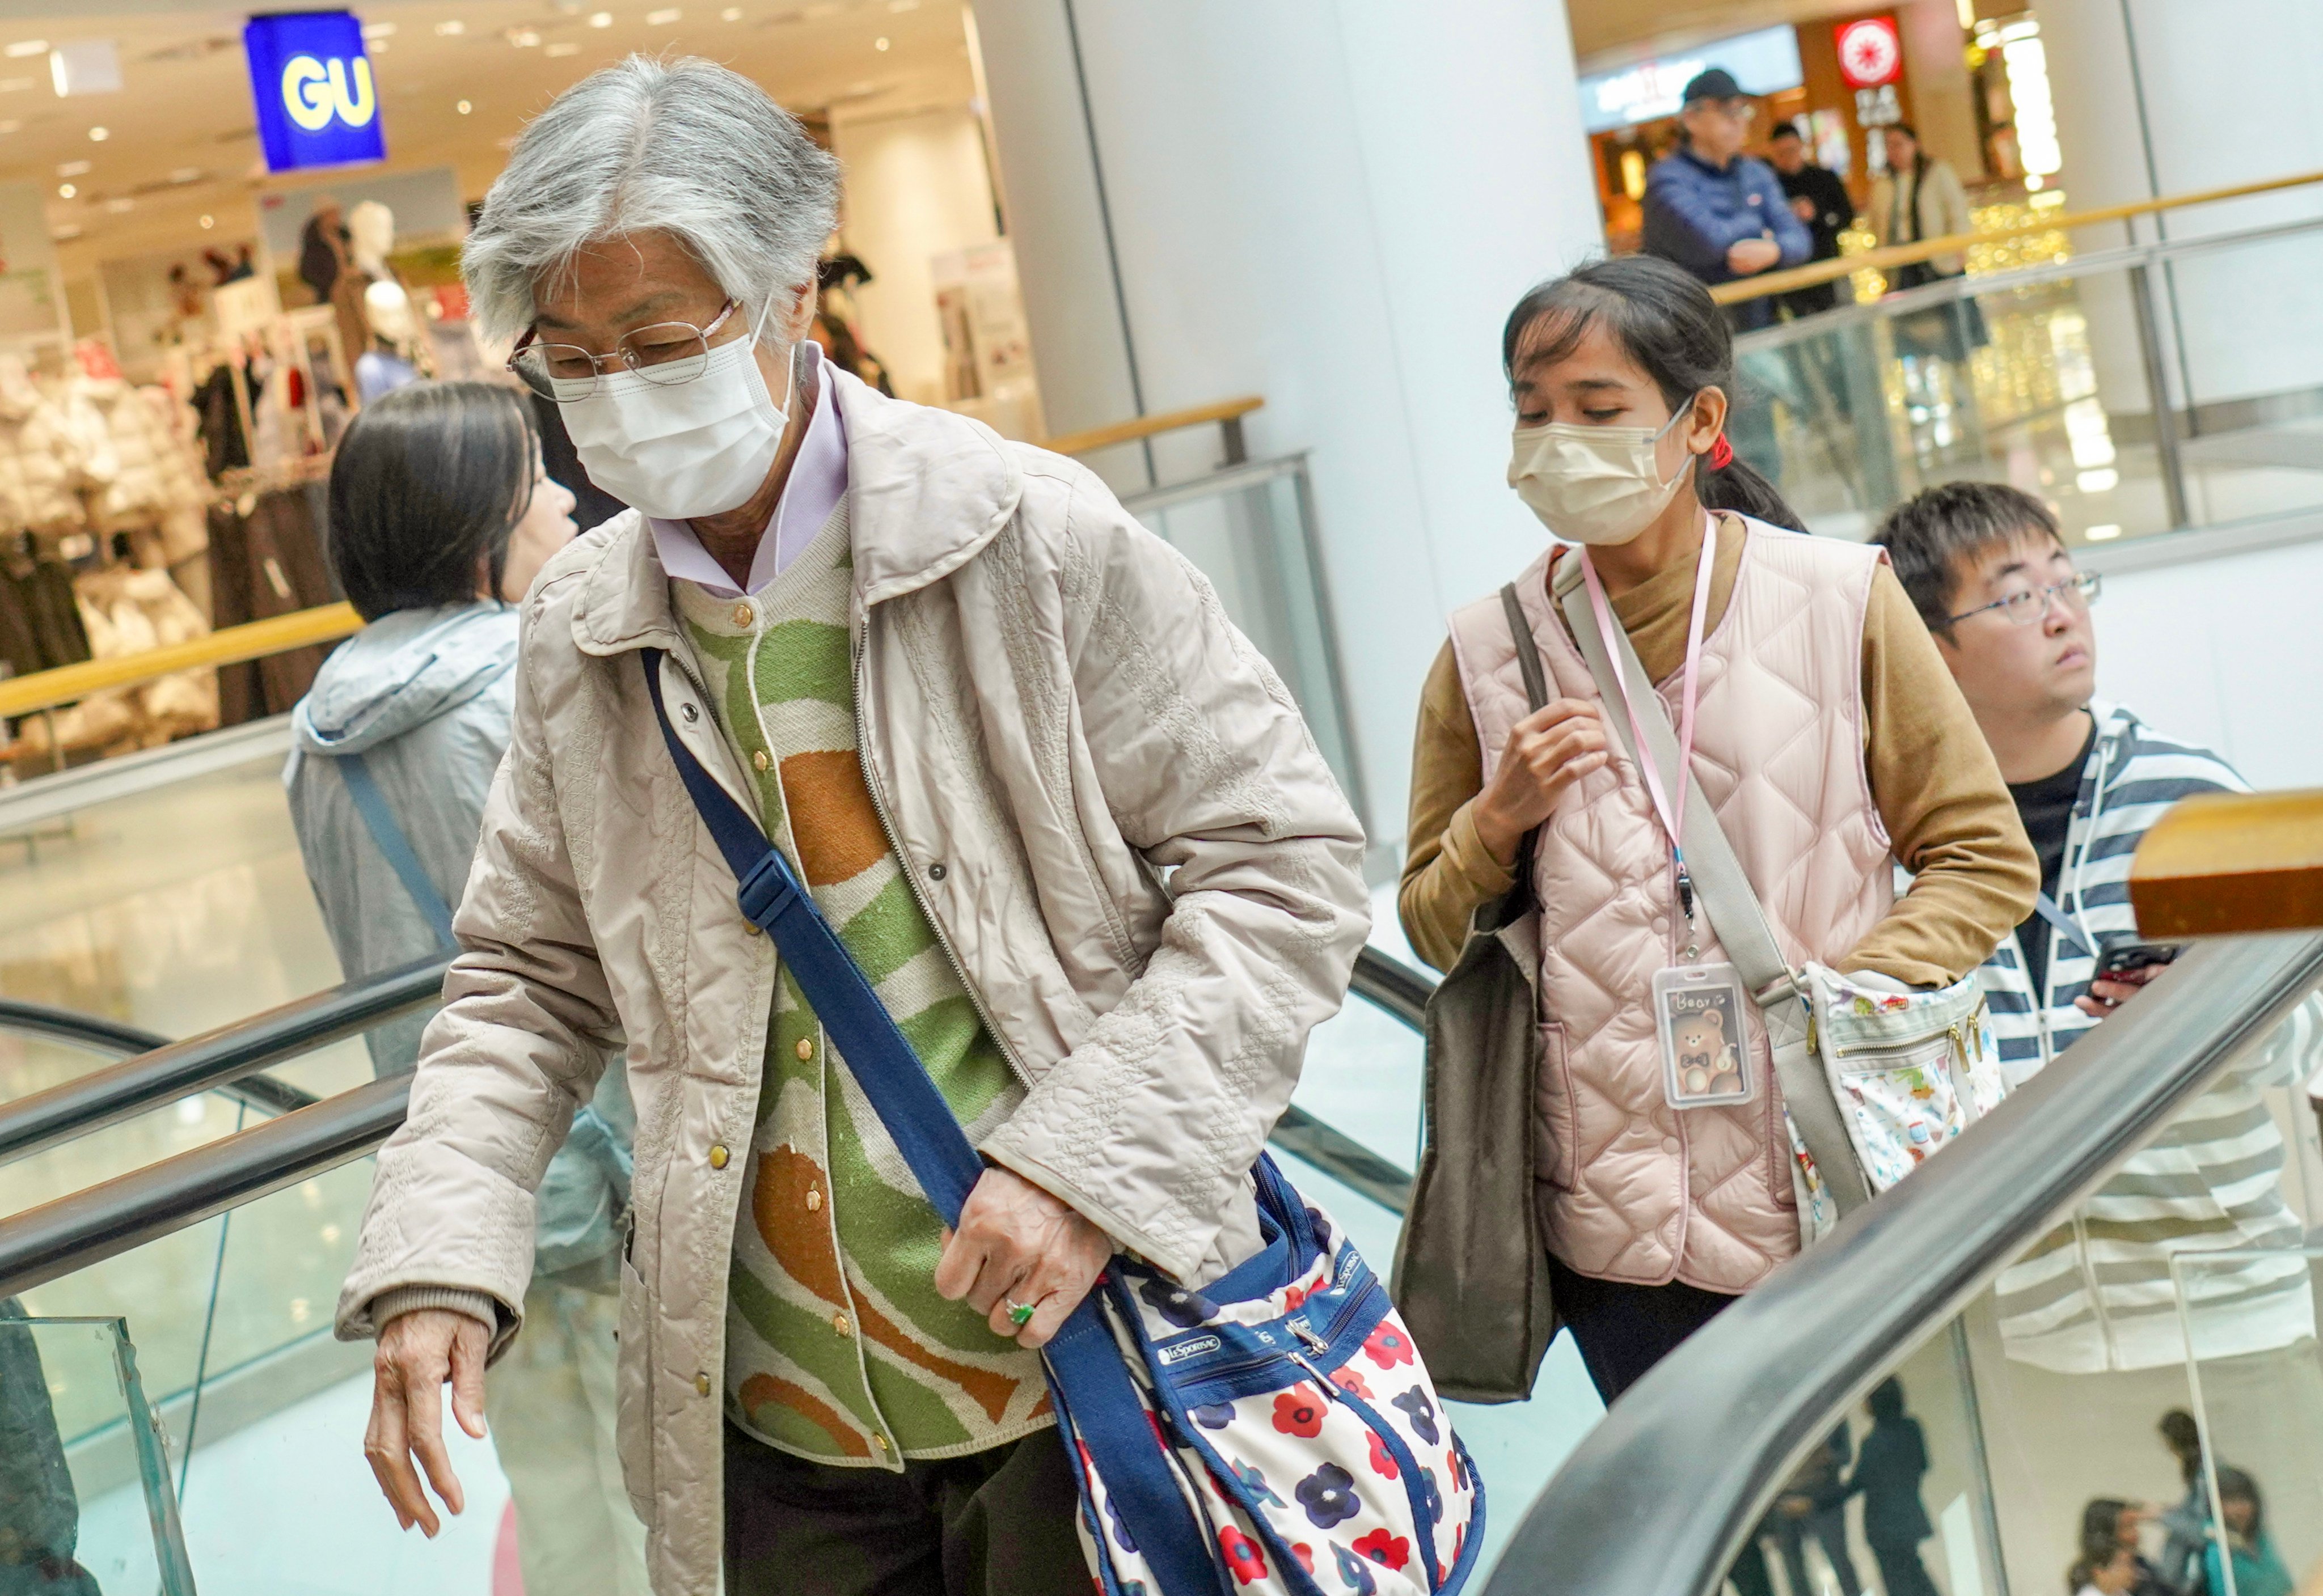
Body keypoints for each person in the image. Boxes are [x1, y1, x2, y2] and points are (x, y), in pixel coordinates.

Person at [331, 54, 1370, 1596]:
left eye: (662, 341)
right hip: (770, 1416)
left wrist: (1086, 1165)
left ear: (795, 295)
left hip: (1079, 1376)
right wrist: (438, 1250)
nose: (615, 390)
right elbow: (525, 977)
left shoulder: (1028, 537)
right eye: (573, 357)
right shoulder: (581, 624)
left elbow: (1282, 861)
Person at [1396, 253, 2035, 1403]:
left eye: (1596, 411)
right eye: (1531, 413)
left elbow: (1981, 859)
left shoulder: (1839, 599)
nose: (1556, 441)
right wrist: (1496, 820)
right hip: (1606, 1231)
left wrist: (1842, 1002)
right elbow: (1431, 929)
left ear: (1698, 421)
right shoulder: (1484, 651)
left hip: (1830, 1179)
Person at [285, 382, 649, 1596]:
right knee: (665, 1498)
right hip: (608, 1159)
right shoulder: (531, 676)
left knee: (554, 1500)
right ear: (473, 527)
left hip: (460, 1184)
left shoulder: (317, 726)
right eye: (529, 477)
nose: (558, 496)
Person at [1872, 482, 2317, 1369]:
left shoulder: (2193, 801)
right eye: (2016, 595)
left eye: (2069, 581)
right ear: (1933, 651)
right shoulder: (1894, 846)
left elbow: (2304, 1044)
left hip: (2233, 1309)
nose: (2062, 613)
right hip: (2030, 1347)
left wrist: (2207, 1014)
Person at [1641, 68, 1813, 486]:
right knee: (1706, 462)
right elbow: (1708, 241)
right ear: (1692, 119)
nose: (1739, 119)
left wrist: (1773, 245)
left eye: (1743, 110)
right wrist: (1764, 230)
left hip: (1755, 334)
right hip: (1690, 350)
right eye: (1726, 111)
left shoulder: (1755, 172)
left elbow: (1800, 240)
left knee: (1761, 454)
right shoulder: (1668, 179)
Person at [1868, 124, 1987, 377]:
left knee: (1954, 333)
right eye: (1889, 146)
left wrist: (1958, 247)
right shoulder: (1884, 183)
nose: (1894, 152)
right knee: (1912, 337)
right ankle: (1920, 391)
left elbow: (1957, 211)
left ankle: (1961, 388)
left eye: (1899, 144)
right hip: (1902, 268)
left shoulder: (1936, 173)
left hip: (1938, 262)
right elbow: (1877, 225)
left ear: (1914, 144)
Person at [1848, 1378, 1940, 1596]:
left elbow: (1856, 1484)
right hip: (1908, 1519)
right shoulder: (1912, 1428)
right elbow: (1923, 1464)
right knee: (1917, 1578)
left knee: (1899, 1585)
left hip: (1882, 1527)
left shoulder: (1873, 1441)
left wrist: (1815, 1503)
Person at [1765, 122, 1854, 319]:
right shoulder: (1771, 187)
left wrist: (1817, 214)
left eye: (1792, 150)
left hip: (1828, 267)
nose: (1788, 158)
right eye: (1781, 153)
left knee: (1843, 327)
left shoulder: (1825, 178)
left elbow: (1846, 216)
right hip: (1790, 276)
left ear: (1802, 146)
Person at [2207, 1468, 2295, 1596]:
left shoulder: (2260, 1538)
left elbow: (2283, 1582)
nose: (2240, 1509)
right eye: (2231, 1501)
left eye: (2244, 1500)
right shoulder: (2215, 1546)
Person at [2079, 1499, 2170, 1596]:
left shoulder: (2142, 1566)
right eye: (2127, 1527)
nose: (2136, 1534)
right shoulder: (2089, 1580)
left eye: (2135, 1524)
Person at [2072, 1544, 2143, 1596]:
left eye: (2131, 1565)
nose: (2131, 1571)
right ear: (2099, 1572)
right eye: (2125, 1564)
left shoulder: (2122, 1593)